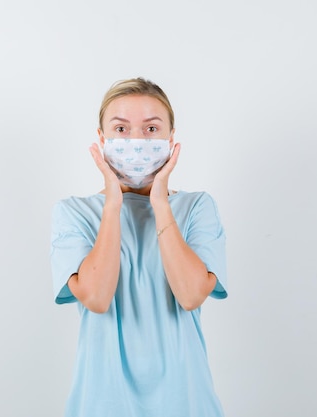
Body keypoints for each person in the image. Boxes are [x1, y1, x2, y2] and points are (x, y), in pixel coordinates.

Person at [50, 77, 228, 417]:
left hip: (187, 404)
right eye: (120, 129)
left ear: (170, 139)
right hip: (102, 405)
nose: (135, 140)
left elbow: (191, 296)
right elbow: (97, 298)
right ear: (101, 140)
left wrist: (160, 203)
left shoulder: (197, 208)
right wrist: (113, 205)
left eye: (150, 129)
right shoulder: (73, 213)